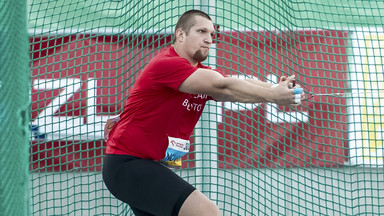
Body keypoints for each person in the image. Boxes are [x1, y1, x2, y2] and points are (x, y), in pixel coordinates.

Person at [102, 9, 305, 216]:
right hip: (128, 164)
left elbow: (236, 86)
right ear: (180, 35)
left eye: (212, 34)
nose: (209, 40)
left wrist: (275, 89)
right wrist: (273, 96)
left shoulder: (199, 72)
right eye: (201, 31)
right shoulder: (167, 64)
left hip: (148, 166)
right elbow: (224, 87)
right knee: (206, 212)